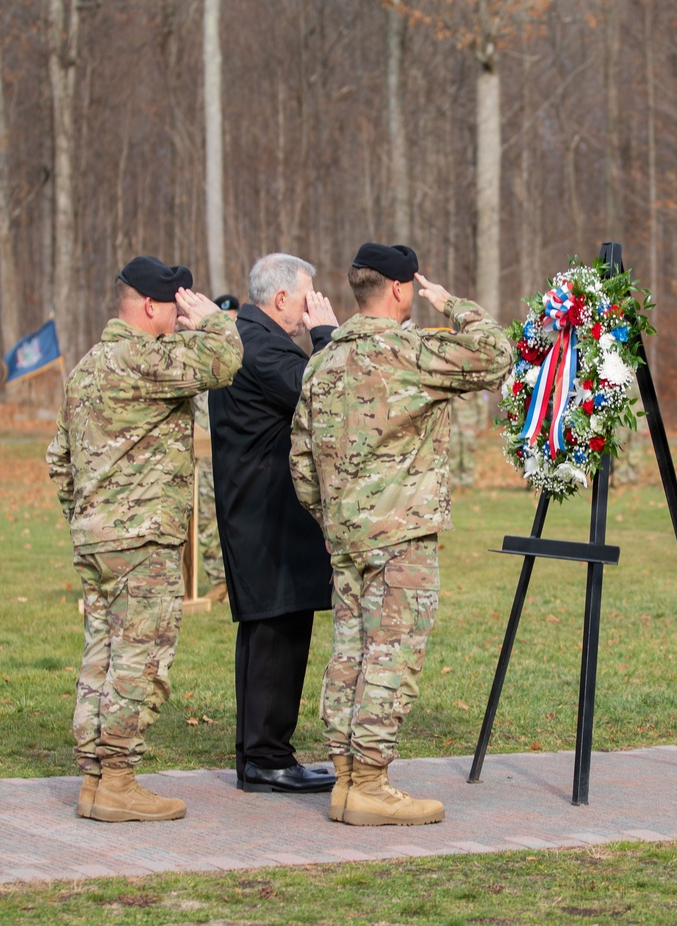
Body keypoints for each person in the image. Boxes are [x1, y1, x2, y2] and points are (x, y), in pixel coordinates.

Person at [290, 242, 513, 826]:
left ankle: (344, 778)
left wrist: (334, 518)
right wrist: (453, 303)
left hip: (346, 535)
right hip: (401, 533)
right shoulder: (411, 350)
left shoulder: (323, 360)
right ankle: (369, 783)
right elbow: (496, 355)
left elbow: (301, 460)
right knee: (392, 653)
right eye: (413, 288)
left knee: (349, 653)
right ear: (397, 289)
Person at [46, 257, 243, 822]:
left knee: (101, 653)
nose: (177, 312)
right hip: (142, 540)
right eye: (172, 303)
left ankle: (94, 776)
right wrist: (211, 319)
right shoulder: (143, 357)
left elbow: (58, 459)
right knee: (141, 655)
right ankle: (118, 780)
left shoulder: (86, 366)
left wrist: (88, 517)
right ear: (151, 306)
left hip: (99, 539)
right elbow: (225, 361)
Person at [209, 254, 338, 795]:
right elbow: (329, 392)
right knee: (274, 629)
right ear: (281, 298)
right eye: (307, 296)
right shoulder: (260, 346)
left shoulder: (248, 337)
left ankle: (263, 754)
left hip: (266, 510)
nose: (312, 305)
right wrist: (328, 335)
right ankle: (265, 757)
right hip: (267, 514)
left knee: (277, 627)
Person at [192, 294, 240, 602]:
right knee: (206, 519)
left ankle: (239, 580)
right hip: (204, 456)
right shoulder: (203, 359)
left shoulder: (247, 357)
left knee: (239, 520)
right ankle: (219, 579)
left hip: (236, 453)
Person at [449, 391, 489, 488]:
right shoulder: (451, 380)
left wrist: (481, 425)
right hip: (454, 424)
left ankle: (467, 482)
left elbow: (482, 404)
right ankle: (454, 482)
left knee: (468, 455)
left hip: (469, 424)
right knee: (453, 453)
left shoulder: (474, 381)